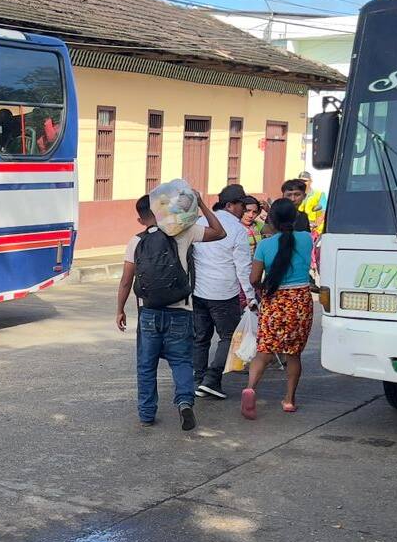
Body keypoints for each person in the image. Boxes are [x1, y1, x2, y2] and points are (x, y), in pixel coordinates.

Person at [117, 191, 226, 430]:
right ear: (162, 210)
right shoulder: (184, 232)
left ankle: (146, 414)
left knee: (146, 365)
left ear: (141, 219)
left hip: (149, 313)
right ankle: (185, 402)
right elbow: (220, 232)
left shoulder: (136, 241)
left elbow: (126, 281)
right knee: (181, 361)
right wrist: (203, 205)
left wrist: (120, 310)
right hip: (181, 311)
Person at [241, 197, 315, 419]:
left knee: (264, 351)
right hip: (300, 300)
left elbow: (254, 278)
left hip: (275, 301)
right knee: (294, 354)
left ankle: (250, 389)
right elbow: (300, 224)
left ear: (270, 219)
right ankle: (289, 400)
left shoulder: (264, 245)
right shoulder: (305, 239)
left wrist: (262, 288)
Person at [192, 184, 257, 400]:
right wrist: (250, 297)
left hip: (199, 291)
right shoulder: (238, 230)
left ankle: (198, 380)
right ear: (230, 205)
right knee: (227, 336)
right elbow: (243, 267)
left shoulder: (200, 222)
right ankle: (212, 379)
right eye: (241, 205)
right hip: (224, 293)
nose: (244, 210)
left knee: (201, 337)